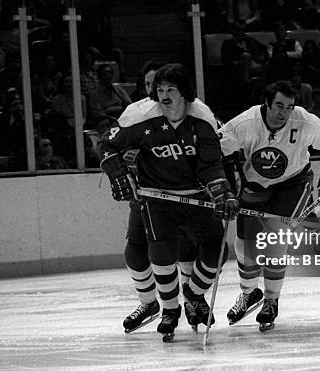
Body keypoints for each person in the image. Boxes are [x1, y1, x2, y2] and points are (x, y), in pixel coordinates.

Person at [98, 63, 239, 341]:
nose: (163, 95)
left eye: (170, 90)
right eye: (159, 89)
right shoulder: (138, 115)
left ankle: (193, 294)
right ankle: (168, 311)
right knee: (159, 253)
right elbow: (106, 145)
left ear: (184, 92)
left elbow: (210, 163)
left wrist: (222, 191)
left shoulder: (203, 118)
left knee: (216, 249)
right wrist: (118, 173)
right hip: (154, 197)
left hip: (194, 195)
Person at [218, 80, 320, 330]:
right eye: (279, 105)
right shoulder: (244, 124)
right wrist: (223, 184)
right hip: (255, 186)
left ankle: (271, 300)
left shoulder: (305, 121)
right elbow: (214, 151)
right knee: (246, 246)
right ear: (266, 103)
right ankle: (248, 294)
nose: (284, 112)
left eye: (289, 107)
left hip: (293, 183)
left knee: (275, 239)